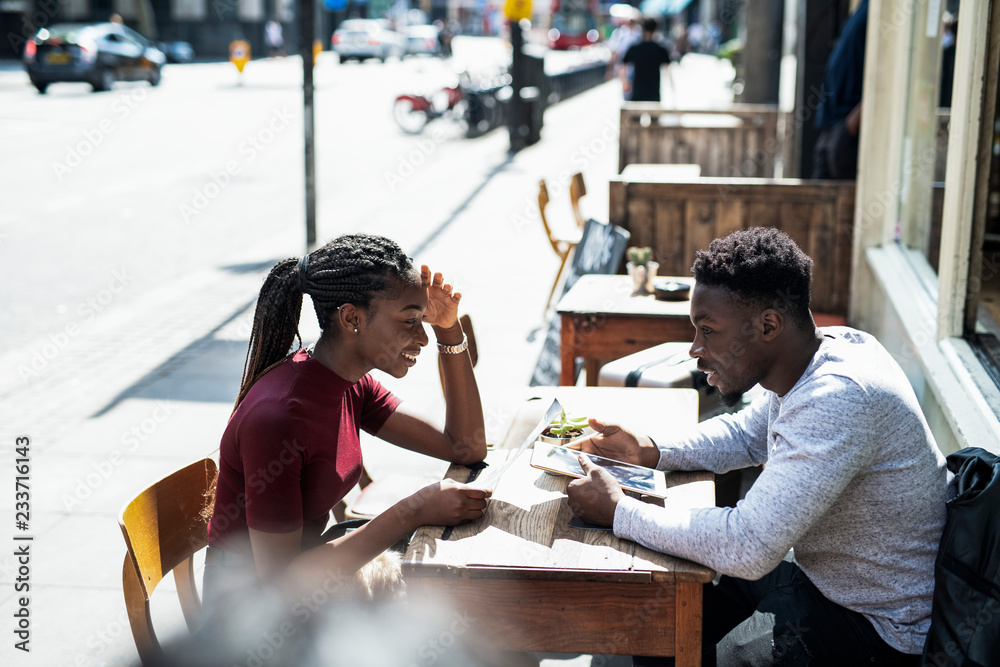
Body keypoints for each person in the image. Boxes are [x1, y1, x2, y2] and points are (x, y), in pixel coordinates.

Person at [566, 227, 948, 666]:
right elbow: (748, 435)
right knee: (663, 624)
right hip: (823, 578)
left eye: (708, 330)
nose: (695, 348)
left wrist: (618, 510)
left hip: (876, 628)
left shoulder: (839, 396)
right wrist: (649, 449)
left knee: (695, 650)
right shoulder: (825, 350)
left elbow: (747, 546)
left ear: (768, 325)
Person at [202, 233, 490, 609]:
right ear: (352, 318)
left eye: (423, 321)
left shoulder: (350, 383)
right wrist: (414, 509)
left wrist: (449, 329)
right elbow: (283, 584)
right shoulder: (279, 418)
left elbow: (464, 447)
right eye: (409, 321)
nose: (421, 336)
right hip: (250, 621)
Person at [812, 0, 868, 179]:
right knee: (819, 201)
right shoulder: (862, 8)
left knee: (845, 201)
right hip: (830, 125)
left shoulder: (880, 11)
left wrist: (851, 124)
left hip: (846, 126)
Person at [621, 17, 674, 103]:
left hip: (637, 93)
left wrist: (625, 82)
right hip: (654, 93)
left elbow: (623, 66)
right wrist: (672, 90)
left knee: (635, 115)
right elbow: (668, 71)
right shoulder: (660, 49)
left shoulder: (635, 48)